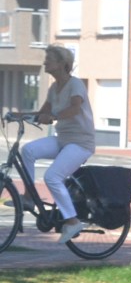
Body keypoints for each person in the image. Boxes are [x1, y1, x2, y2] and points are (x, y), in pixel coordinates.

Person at [21, 45, 95, 244]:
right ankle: (28, 198)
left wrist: (53, 116)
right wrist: (17, 116)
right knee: (27, 150)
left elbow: (75, 109)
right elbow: (41, 112)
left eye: (49, 59)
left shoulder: (75, 84)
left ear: (62, 64)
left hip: (80, 142)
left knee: (53, 176)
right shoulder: (53, 89)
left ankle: (72, 221)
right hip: (62, 139)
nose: (45, 62)